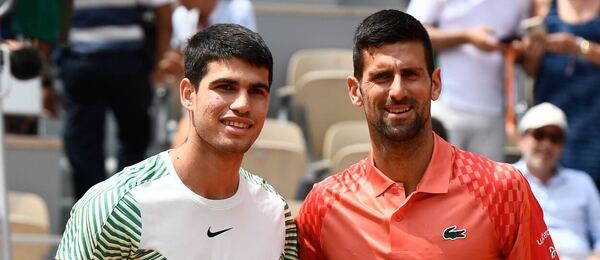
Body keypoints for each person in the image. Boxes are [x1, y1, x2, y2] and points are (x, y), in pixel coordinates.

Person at [295, 10, 556, 259]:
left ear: (436, 83)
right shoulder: (324, 205)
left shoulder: (503, 189)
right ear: (354, 90)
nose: (397, 91)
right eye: (382, 76)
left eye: (411, 74)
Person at [56, 24, 298, 259]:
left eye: (257, 91)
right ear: (187, 94)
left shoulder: (275, 213)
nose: (243, 104)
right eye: (225, 86)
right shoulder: (118, 207)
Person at [60, 0, 172, 199]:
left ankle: (96, 213)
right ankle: (118, 209)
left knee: (89, 146)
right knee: (131, 141)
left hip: (86, 61)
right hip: (123, 63)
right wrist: (159, 63)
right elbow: (163, 13)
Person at [407, 0, 527, 162]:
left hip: (494, 115)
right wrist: (466, 36)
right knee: (437, 183)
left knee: (488, 186)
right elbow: (410, 32)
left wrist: (518, 48)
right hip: (446, 107)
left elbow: (523, 39)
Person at [522, 0, 600, 190]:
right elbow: (530, 69)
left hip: (594, 117)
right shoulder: (543, 5)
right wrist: (533, 51)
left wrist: (578, 46)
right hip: (552, 115)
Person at [159, 0, 257, 147]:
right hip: (193, 104)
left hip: (230, 101)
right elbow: (178, 56)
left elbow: (243, 63)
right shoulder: (181, 15)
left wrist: (186, 69)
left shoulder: (239, 9)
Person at [514, 102, 600, 260]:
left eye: (555, 138)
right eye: (539, 135)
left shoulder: (582, 183)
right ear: (521, 139)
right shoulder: (505, 180)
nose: (547, 144)